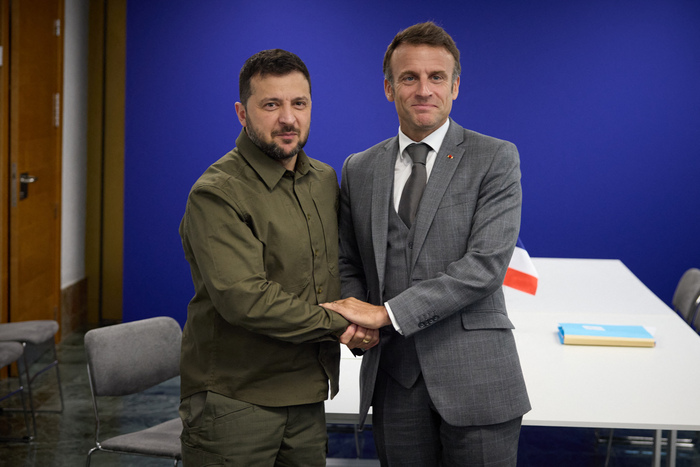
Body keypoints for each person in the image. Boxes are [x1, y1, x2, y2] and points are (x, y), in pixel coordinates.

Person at [322, 22, 531, 466]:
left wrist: (386, 314)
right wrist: (360, 323)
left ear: (455, 86)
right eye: (409, 77)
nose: (423, 89)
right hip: (394, 381)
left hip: (477, 379)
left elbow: (485, 267)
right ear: (388, 88)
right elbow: (348, 261)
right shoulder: (359, 169)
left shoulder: (495, 158)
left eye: (436, 77)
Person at [178, 48, 378, 466]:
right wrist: (344, 324)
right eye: (271, 105)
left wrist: (370, 314)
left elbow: (338, 268)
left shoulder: (323, 180)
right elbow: (245, 299)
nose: (288, 118)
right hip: (236, 399)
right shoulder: (217, 193)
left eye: (299, 103)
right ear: (242, 113)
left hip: (307, 393)